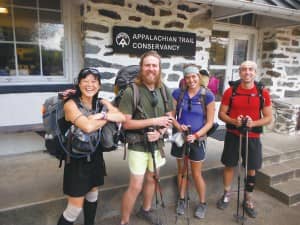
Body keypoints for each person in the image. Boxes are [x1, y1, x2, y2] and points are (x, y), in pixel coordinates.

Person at [57, 68, 125, 225]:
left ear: (99, 85)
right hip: (76, 161)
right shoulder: (70, 104)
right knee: (73, 210)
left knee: (92, 195)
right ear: (79, 84)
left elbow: (121, 117)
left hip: (95, 157)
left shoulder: (101, 102)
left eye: (94, 81)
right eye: (85, 81)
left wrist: (102, 115)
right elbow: (87, 127)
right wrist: (107, 118)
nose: (90, 85)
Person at [118, 50, 174, 225]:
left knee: (152, 179)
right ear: (141, 68)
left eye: (154, 65)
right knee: (135, 186)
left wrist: (160, 132)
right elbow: (126, 124)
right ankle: (124, 221)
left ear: (159, 68)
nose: (151, 69)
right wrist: (154, 121)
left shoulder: (164, 89)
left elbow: (170, 117)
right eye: (147, 65)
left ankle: (146, 210)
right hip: (137, 146)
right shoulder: (131, 91)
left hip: (157, 144)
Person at [216, 61, 272, 218]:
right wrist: (234, 121)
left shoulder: (262, 93)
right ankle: (227, 194)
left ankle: (248, 198)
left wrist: (253, 123)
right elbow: (222, 114)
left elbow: (268, 117)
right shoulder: (230, 91)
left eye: (250, 69)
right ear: (239, 72)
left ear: (255, 72)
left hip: (252, 136)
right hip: (233, 134)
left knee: (251, 168)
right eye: (244, 69)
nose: (247, 72)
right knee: (229, 165)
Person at [171, 64, 215, 219]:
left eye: (194, 76)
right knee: (182, 171)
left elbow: (209, 122)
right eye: (188, 77)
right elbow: (171, 116)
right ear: (184, 79)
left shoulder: (207, 95)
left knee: (196, 174)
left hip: (198, 139)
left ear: (198, 76)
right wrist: (179, 126)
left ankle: (202, 203)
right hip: (181, 138)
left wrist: (196, 135)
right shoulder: (178, 94)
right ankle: (182, 199)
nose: (191, 80)